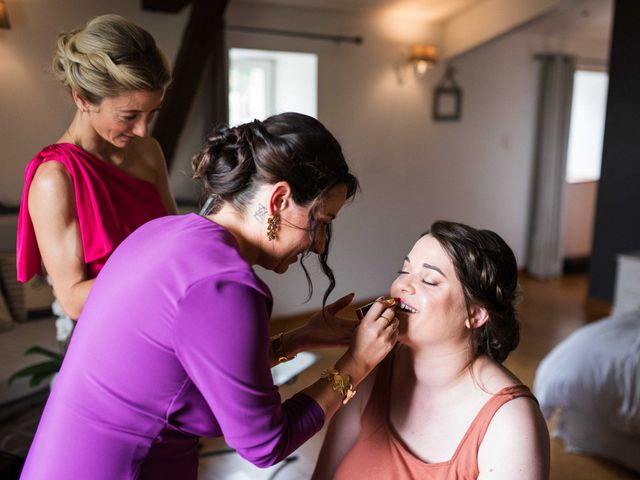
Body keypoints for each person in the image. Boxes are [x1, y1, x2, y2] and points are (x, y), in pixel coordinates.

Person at [19, 112, 400, 480]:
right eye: (320, 223)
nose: (317, 245)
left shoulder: (162, 233)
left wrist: (297, 340)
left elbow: (186, 371)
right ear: (279, 200)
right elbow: (265, 444)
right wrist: (355, 364)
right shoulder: (225, 285)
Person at [313, 220, 551, 480]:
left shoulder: (511, 422)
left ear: (475, 314)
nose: (402, 286)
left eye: (429, 280)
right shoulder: (371, 365)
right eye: (403, 271)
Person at [16, 14, 177, 330]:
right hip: (110, 337)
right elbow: (73, 301)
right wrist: (164, 269)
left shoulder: (148, 151)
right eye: (129, 116)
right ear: (83, 98)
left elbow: (172, 240)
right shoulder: (55, 180)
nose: (143, 131)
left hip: (167, 321)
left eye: (151, 114)